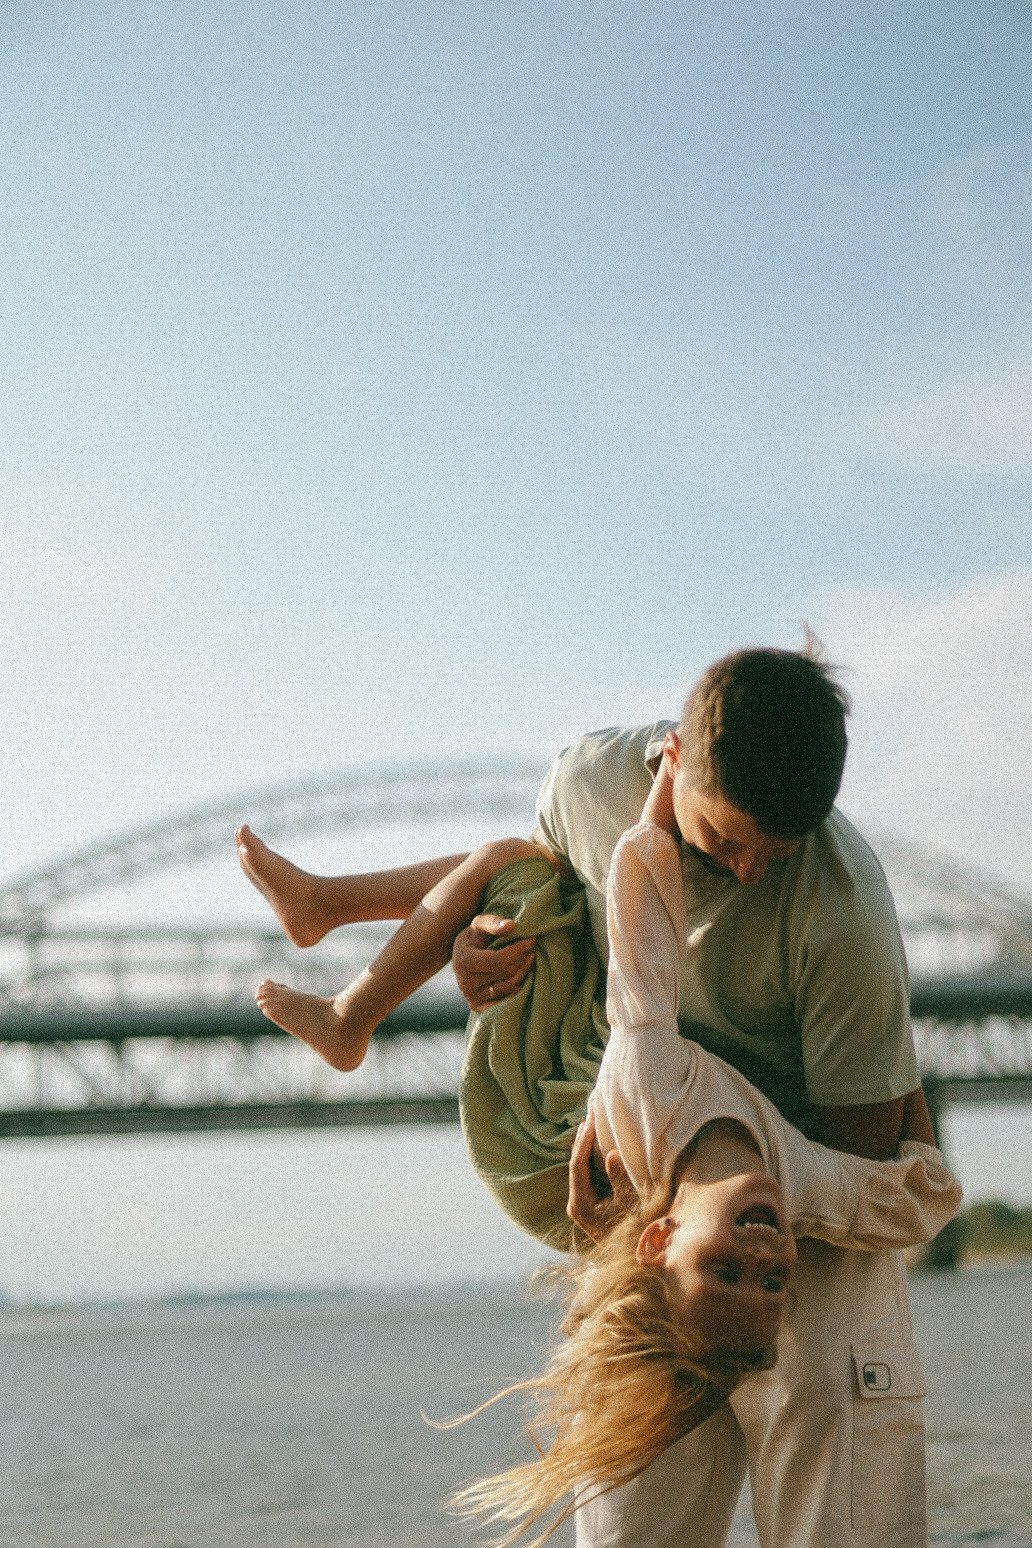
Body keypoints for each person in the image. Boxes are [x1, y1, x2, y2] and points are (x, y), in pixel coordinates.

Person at [448, 786, 959, 1546]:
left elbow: (639, 890)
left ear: (657, 1241)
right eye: (773, 1277)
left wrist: (665, 786)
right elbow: (922, 1197)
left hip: (666, 1294)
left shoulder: (644, 1082)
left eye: (730, 1269)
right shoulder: (806, 1189)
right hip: (684, 1307)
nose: (761, 1255)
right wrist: (897, 1053)